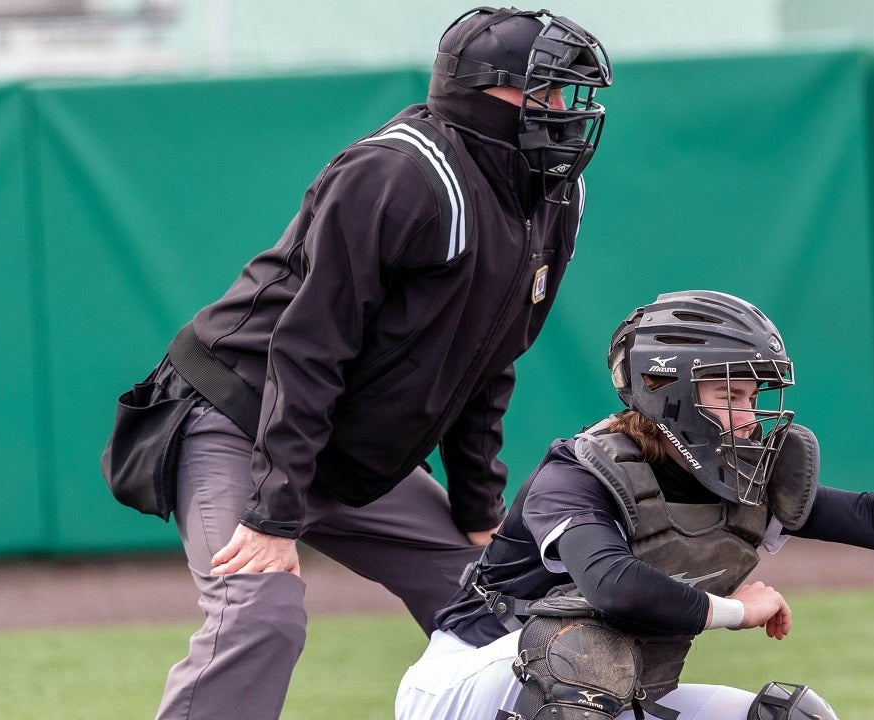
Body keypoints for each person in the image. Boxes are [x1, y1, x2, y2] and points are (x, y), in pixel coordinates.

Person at [102, 7, 612, 719]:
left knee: (507, 612)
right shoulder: (400, 173)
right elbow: (308, 348)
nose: (567, 112)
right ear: (483, 91)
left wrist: (477, 509)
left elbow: (489, 356)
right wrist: (274, 516)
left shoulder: (554, 196)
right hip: (237, 417)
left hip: (334, 440)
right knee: (260, 616)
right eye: (550, 92)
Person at [395, 290, 874, 720]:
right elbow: (612, 587)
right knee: (579, 652)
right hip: (466, 688)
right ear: (664, 390)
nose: (749, 416)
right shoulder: (579, 472)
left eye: (751, 395)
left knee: (793, 717)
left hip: (607, 692)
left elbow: (871, 515)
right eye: (728, 393)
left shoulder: (738, 474)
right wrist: (735, 610)